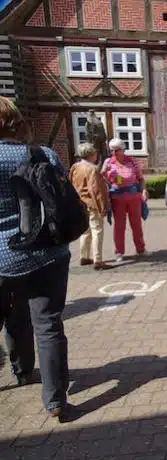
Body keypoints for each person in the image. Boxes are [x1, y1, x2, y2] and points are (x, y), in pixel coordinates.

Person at [0, 96, 72, 420]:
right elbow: (63, 196)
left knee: (11, 319)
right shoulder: (45, 154)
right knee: (48, 324)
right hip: (46, 252)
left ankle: (21, 371)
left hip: (2, 256)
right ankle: (56, 400)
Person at [102, 138, 149, 262]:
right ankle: (119, 252)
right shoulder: (108, 162)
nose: (113, 153)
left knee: (136, 224)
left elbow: (141, 178)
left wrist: (144, 190)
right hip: (117, 198)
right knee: (119, 226)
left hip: (134, 197)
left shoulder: (132, 161)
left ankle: (141, 249)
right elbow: (101, 179)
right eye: (111, 150)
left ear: (123, 149)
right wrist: (103, 171)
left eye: (116, 150)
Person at [69, 142, 110, 270]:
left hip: (79, 204)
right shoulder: (92, 169)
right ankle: (98, 260)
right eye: (95, 153)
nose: (97, 155)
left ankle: (84, 256)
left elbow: (70, 183)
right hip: (92, 205)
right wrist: (102, 207)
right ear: (91, 155)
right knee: (97, 231)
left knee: (85, 231)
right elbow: (96, 190)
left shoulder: (75, 167)